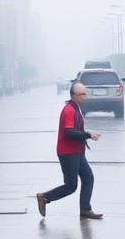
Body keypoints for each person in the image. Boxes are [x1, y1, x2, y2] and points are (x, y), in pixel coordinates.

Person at [36, 82, 103, 220]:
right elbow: (68, 132)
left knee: (88, 177)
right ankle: (44, 197)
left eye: (85, 93)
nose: (84, 97)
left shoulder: (76, 108)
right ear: (73, 96)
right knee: (71, 185)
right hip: (68, 152)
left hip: (77, 151)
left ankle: (85, 209)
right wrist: (88, 135)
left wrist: (86, 136)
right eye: (81, 94)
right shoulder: (69, 110)